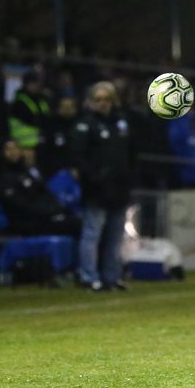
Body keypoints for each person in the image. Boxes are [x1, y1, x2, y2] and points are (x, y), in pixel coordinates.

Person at [69, 82, 136, 291]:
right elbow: (77, 156)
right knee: (92, 234)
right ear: (89, 102)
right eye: (98, 99)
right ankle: (88, 276)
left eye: (107, 99)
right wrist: (92, 177)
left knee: (115, 236)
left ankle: (112, 276)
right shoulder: (84, 125)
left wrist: (130, 176)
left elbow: (132, 152)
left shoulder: (121, 123)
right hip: (96, 189)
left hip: (119, 187)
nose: (103, 103)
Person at [0, 139, 80, 237]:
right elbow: (21, 206)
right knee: (76, 225)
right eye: (8, 149)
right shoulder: (3, 179)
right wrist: (48, 212)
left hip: (42, 218)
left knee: (77, 220)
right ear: (2, 153)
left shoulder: (27, 173)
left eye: (15, 148)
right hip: (25, 224)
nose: (13, 152)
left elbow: (44, 193)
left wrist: (57, 209)